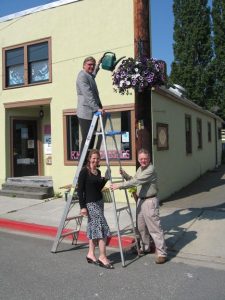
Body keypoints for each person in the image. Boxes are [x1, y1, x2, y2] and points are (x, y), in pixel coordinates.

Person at [110, 148, 167, 264]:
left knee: (154, 228)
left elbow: (136, 182)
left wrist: (119, 185)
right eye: (141, 159)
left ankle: (162, 253)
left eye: (145, 159)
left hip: (150, 201)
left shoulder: (150, 169)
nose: (143, 161)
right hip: (141, 201)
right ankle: (145, 248)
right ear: (138, 159)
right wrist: (125, 175)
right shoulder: (140, 169)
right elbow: (134, 180)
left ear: (149, 158)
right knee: (141, 227)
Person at [77, 149, 114, 269]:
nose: (95, 160)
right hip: (91, 204)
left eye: (97, 158)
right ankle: (102, 256)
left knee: (94, 228)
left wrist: (106, 178)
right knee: (102, 228)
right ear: (89, 158)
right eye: (93, 158)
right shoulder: (84, 171)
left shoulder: (97, 171)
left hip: (99, 202)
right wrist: (82, 207)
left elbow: (98, 187)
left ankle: (90, 254)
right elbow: (80, 190)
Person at [76, 56, 104, 161]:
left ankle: (89, 162)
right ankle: (82, 164)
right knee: (87, 138)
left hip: (92, 112)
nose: (91, 67)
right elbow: (88, 95)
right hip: (85, 112)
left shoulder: (89, 75)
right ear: (84, 65)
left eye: (92, 65)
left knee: (91, 138)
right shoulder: (82, 76)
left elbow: (94, 73)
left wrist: (99, 64)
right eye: (89, 65)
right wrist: (97, 108)